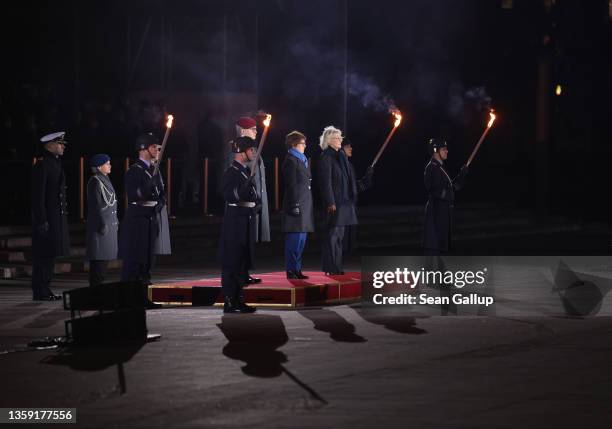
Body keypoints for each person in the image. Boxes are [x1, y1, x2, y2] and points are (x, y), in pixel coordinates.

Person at [118, 133, 165, 308]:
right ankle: (129, 298)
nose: (157, 150)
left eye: (158, 147)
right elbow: (136, 196)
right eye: (154, 147)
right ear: (143, 149)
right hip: (137, 221)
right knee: (135, 260)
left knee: (147, 260)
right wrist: (148, 189)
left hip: (150, 220)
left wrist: (156, 205)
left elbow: (162, 197)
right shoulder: (134, 171)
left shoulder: (154, 170)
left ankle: (143, 296)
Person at [224, 116, 270, 284]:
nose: (256, 132)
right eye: (253, 129)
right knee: (240, 244)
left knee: (248, 241)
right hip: (241, 206)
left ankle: (244, 272)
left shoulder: (252, 149)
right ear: (243, 131)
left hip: (252, 203)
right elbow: (235, 177)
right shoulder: (237, 150)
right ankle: (240, 275)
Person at [218, 136, 260, 313]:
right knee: (232, 261)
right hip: (235, 221)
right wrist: (241, 191)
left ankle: (238, 298)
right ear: (241, 152)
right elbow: (229, 195)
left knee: (242, 260)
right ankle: (230, 300)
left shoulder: (245, 172)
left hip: (245, 218)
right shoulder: (232, 172)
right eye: (251, 150)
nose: (253, 153)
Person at [30, 131, 71, 301]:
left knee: (50, 256)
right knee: (43, 256)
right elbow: (38, 196)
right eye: (60, 144)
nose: (62, 147)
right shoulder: (43, 165)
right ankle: (40, 290)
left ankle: (45, 288)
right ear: (50, 145)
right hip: (47, 218)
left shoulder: (55, 163)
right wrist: (42, 219)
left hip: (55, 217)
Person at [317, 126, 357, 275]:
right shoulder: (326, 157)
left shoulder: (339, 157)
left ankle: (337, 266)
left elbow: (344, 179)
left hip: (344, 202)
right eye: (337, 137)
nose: (340, 140)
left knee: (339, 236)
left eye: (340, 137)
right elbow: (325, 182)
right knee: (333, 236)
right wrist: (330, 202)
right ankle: (331, 267)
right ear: (329, 140)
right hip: (335, 203)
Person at [423, 138, 468, 256]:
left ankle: (441, 273)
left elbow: (452, 187)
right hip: (436, 213)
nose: (447, 151)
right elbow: (436, 191)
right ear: (435, 151)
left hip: (443, 213)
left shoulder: (440, 167)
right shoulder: (431, 168)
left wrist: (461, 176)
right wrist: (450, 191)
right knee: (434, 249)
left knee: (441, 249)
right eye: (443, 149)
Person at [281, 131, 314, 279]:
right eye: (302, 143)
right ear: (294, 144)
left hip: (304, 204)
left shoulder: (302, 159)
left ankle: (297, 269)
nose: (305, 146)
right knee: (294, 241)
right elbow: (291, 184)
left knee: (301, 240)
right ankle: (291, 270)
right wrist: (294, 204)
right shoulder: (291, 160)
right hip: (296, 205)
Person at [86, 154, 119, 287]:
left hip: (108, 225)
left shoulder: (104, 179)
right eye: (107, 163)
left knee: (103, 263)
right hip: (101, 227)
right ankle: (95, 292)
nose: (110, 165)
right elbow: (95, 206)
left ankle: (97, 291)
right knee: (98, 264)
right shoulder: (95, 181)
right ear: (99, 167)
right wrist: (102, 223)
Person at [340, 138, 374, 254]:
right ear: (342, 148)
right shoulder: (339, 165)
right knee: (341, 243)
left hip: (350, 208)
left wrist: (367, 178)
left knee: (349, 244)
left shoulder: (349, 165)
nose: (351, 148)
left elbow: (355, 187)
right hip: (342, 208)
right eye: (348, 146)